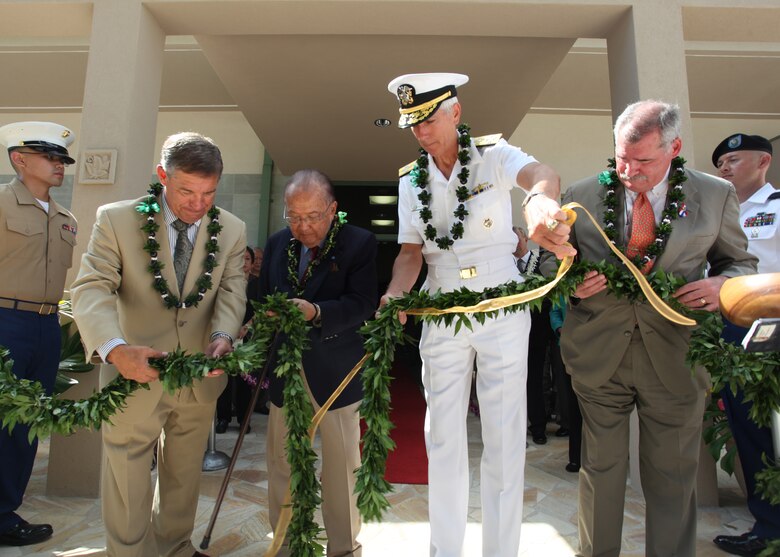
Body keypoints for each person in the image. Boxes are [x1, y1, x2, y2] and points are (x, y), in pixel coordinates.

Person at [552, 100, 757, 557]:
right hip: (597, 354)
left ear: (675, 147)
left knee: (672, 475)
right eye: (621, 157)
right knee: (600, 469)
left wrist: (722, 284)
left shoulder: (716, 194)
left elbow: (740, 263)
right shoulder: (581, 196)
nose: (629, 169)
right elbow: (551, 263)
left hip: (678, 356)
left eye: (642, 159)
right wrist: (570, 282)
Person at [381, 73, 572, 557]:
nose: (422, 133)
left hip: (502, 304)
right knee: (442, 438)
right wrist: (392, 296)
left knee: (504, 439)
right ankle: (444, 550)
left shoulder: (493, 154)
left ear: (456, 113)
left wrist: (540, 200)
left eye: (429, 121)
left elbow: (540, 172)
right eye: (413, 125)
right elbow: (410, 253)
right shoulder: (411, 179)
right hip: (441, 307)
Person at [71, 132, 247, 557]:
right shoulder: (116, 219)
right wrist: (114, 349)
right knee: (127, 480)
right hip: (134, 375)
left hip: (199, 379)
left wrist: (223, 336)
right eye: (186, 190)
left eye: (208, 192)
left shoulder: (233, 229)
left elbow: (231, 291)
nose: (197, 203)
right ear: (162, 176)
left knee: (184, 475)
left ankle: (175, 549)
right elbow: (91, 287)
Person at [260, 169, 377, 557]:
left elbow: (362, 304)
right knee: (281, 465)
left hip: (336, 373)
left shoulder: (358, 243)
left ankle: (343, 548)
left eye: (312, 217)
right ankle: (285, 544)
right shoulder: (278, 243)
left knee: (341, 470)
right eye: (293, 216)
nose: (302, 227)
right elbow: (262, 297)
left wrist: (315, 312)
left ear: (332, 210)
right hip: (285, 373)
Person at [0, 121, 77, 547]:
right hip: (4, 320)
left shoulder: (66, 218)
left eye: (61, 159)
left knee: (27, 423)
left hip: (47, 326)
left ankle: (6, 512)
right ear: (19, 159)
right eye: (49, 157)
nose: (58, 165)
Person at [710, 133, 778, 556]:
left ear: (763, 161)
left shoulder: (776, 208)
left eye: (733, 159)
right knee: (750, 431)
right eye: (720, 163)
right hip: (735, 332)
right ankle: (768, 525)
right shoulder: (720, 214)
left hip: (776, 325)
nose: (724, 168)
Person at [513, 225, 556, 444]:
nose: (514, 243)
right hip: (508, 333)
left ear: (526, 239)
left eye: (517, 237)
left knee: (536, 379)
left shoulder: (540, 263)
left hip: (535, 332)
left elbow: (549, 295)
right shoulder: (503, 268)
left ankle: (538, 426)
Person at [216, 246, 257, 433]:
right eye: (240, 259)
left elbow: (264, 310)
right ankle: (223, 418)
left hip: (247, 338)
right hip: (225, 336)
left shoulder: (258, 284)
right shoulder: (225, 283)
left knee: (244, 381)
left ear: (253, 263)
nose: (244, 263)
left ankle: (243, 419)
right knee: (222, 379)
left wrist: (247, 326)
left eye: (247, 259)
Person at [549, 299, 582, 473]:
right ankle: (575, 458)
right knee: (572, 403)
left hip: (594, 350)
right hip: (567, 348)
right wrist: (561, 329)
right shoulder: (563, 283)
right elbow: (554, 313)